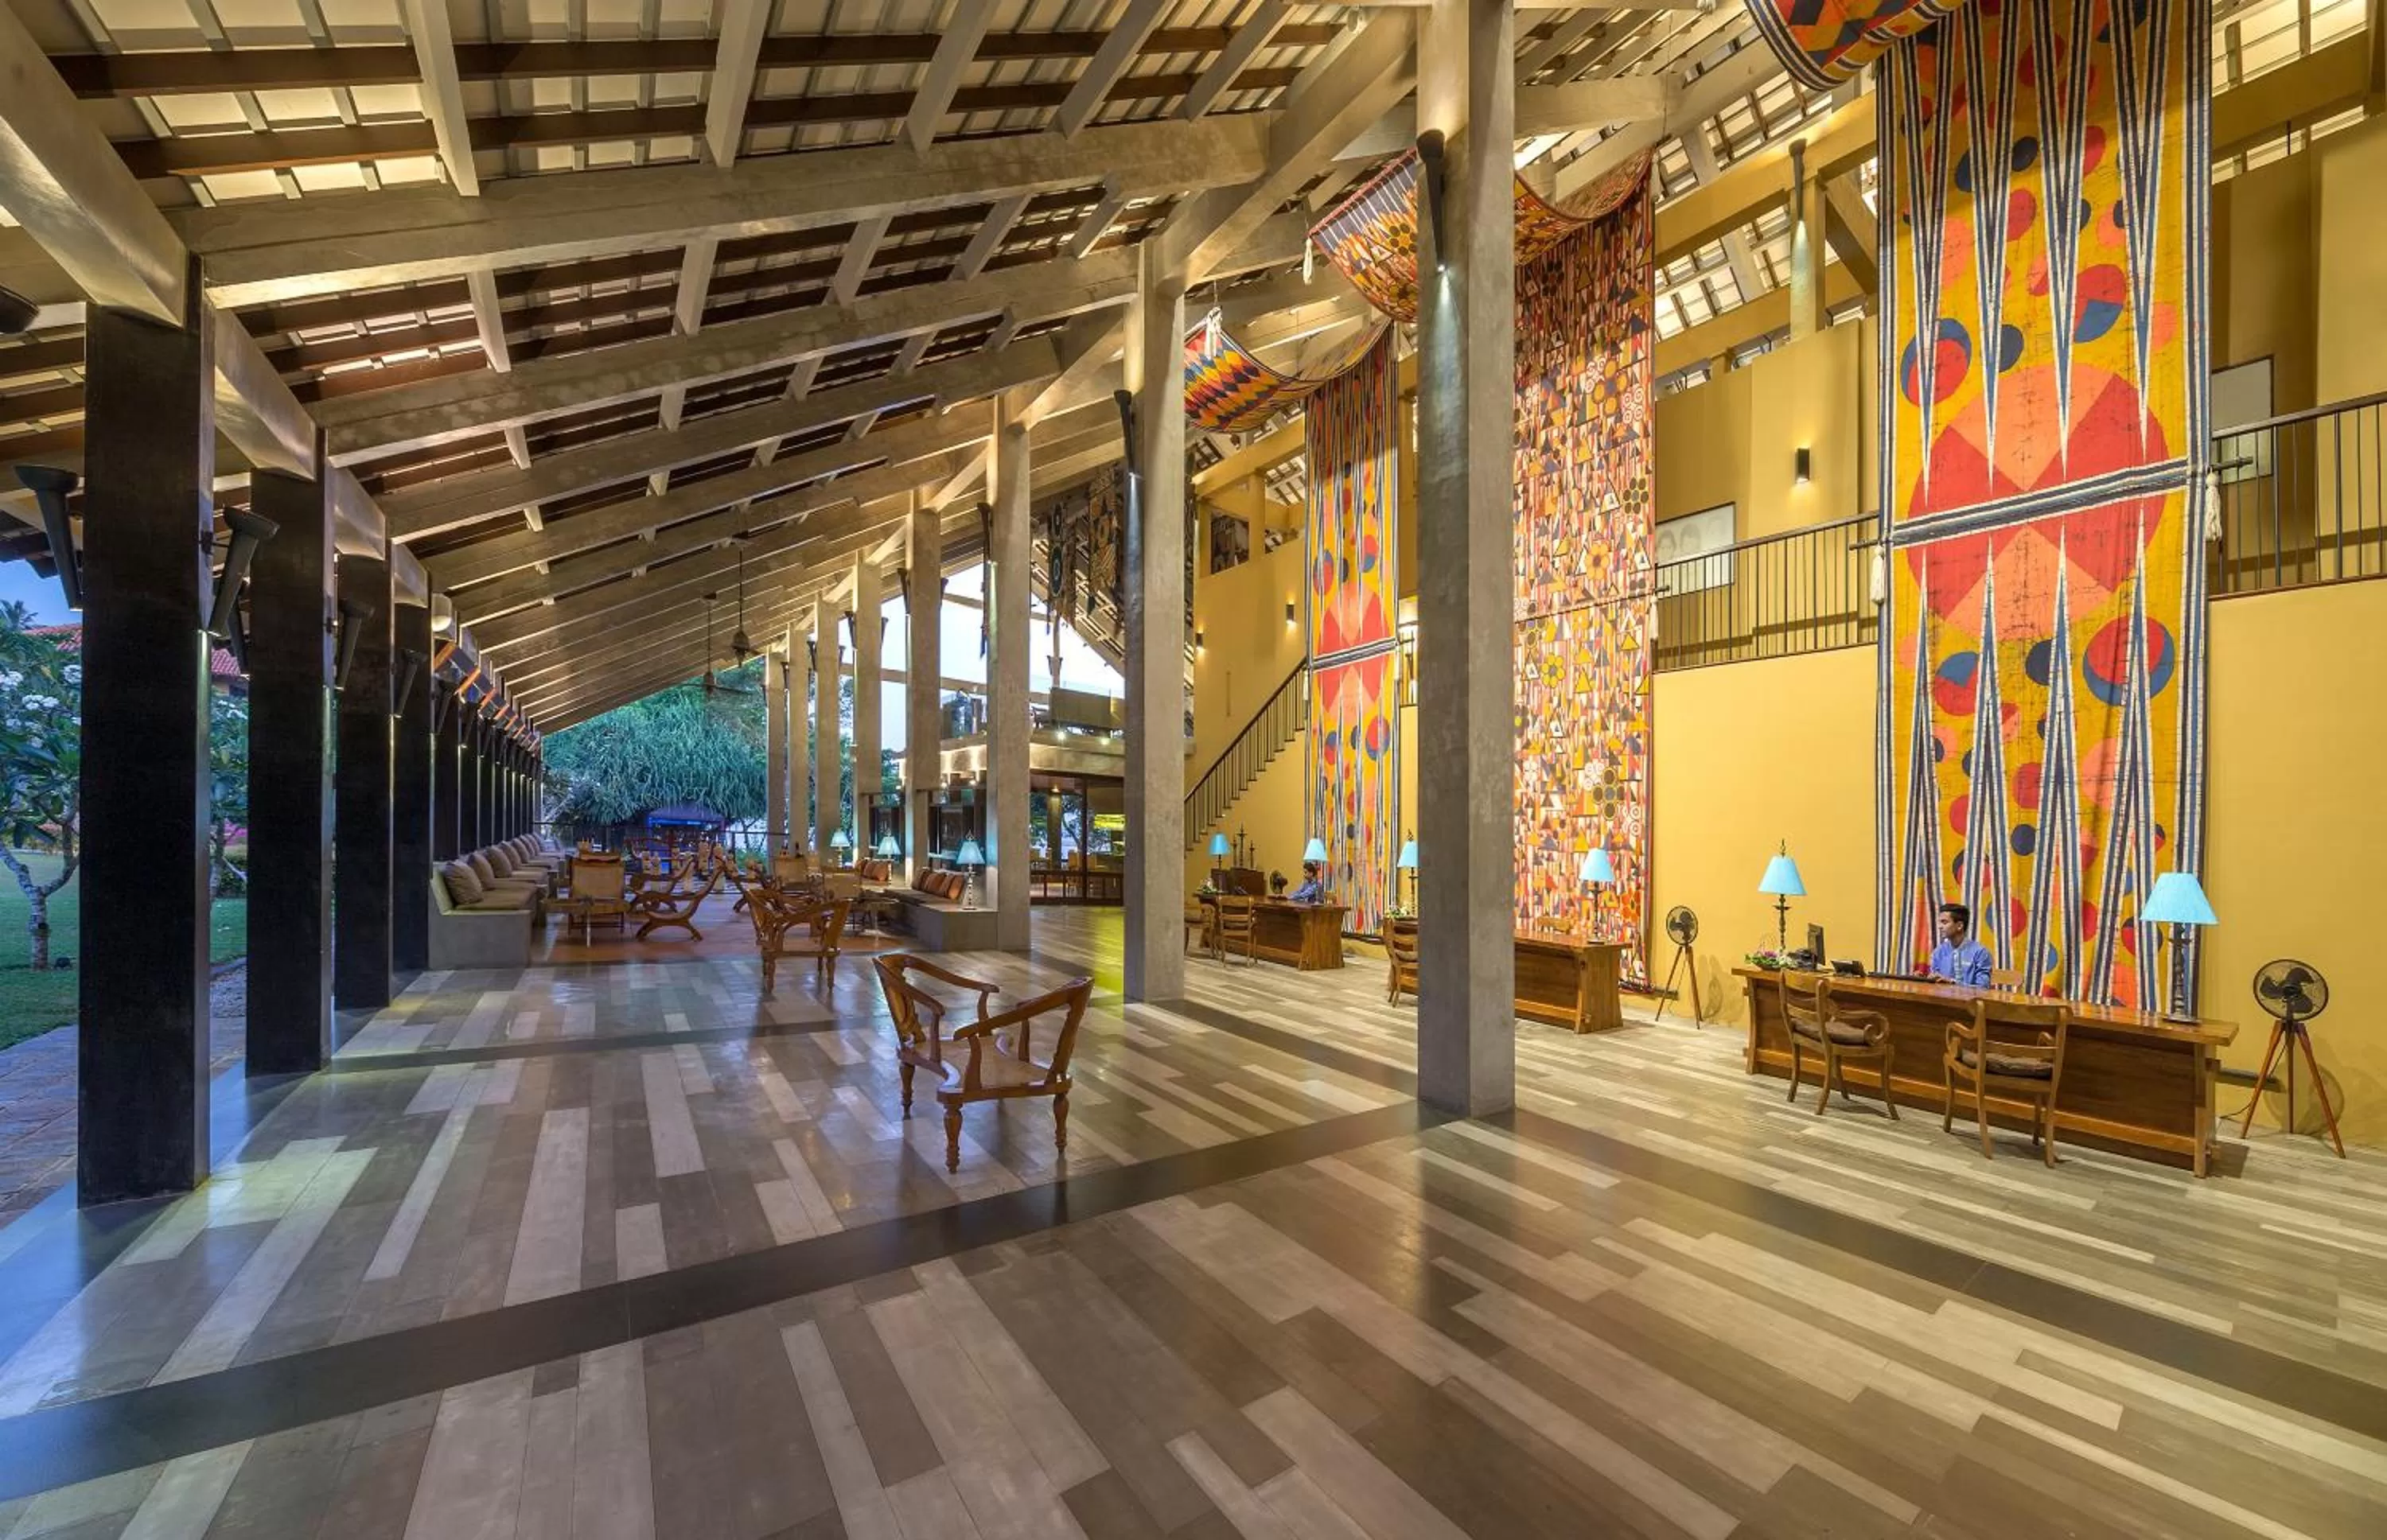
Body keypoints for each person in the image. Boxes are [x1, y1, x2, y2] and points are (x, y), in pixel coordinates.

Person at [1924, 901, 1993, 986]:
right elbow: (1934, 982)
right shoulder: (1938, 952)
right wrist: (1923, 978)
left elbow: (1983, 987)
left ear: (1960, 926)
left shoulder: (1980, 953)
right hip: (1942, 999)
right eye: (1939, 922)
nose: (1940, 927)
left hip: (1970, 999)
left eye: (1944, 922)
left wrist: (1953, 982)